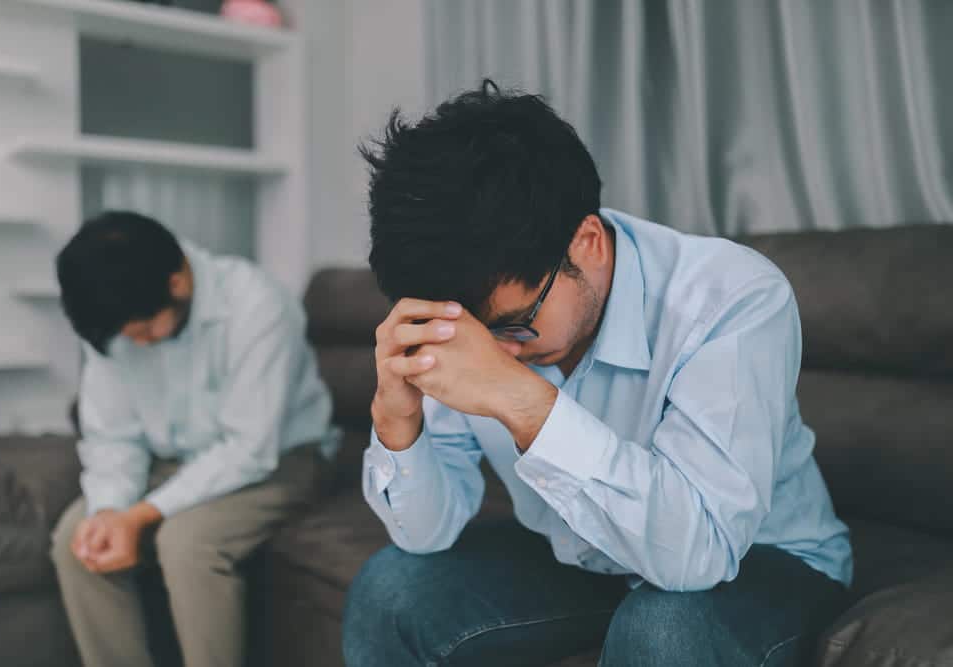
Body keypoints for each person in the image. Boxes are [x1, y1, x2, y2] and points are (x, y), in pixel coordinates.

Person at [341, 81, 853, 666]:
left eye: (515, 324)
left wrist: (523, 402)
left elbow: (700, 553)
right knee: (390, 591)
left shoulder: (730, 297)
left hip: (757, 557)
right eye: (474, 338)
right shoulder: (473, 316)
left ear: (586, 243)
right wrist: (396, 420)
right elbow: (424, 535)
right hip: (586, 557)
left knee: (664, 629)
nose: (494, 356)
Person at [51, 211, 334, 667]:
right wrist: (109, 511)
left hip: (279, 459)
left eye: (143, 330)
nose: (135, 344)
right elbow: (112, 437)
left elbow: (249, 448)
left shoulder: (257, 304)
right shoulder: (111, 319)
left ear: (178, 282)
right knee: (78, 538)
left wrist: (140, 515)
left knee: (187, 544)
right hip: (176, 460)